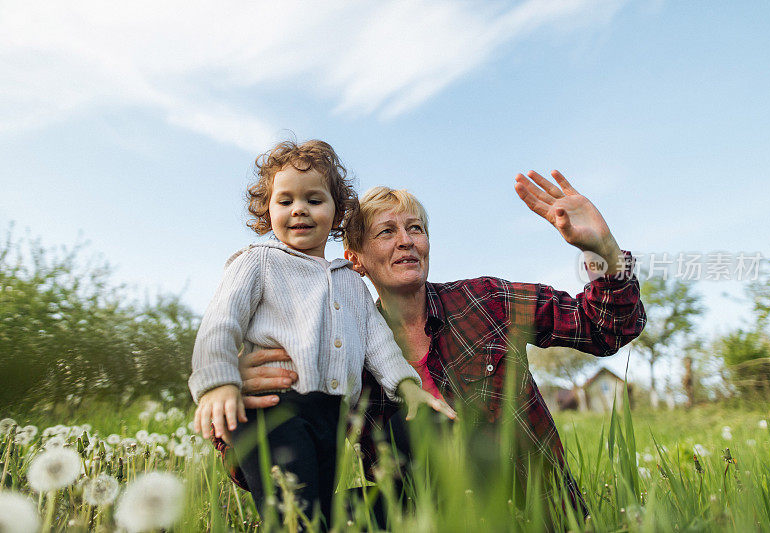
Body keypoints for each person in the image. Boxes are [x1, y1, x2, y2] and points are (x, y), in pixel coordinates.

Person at [217, 169, 646, 519]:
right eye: (386, 232)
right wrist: (246, 397)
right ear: (355, 258)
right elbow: (274, 469)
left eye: (415, 228)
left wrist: (604, 251)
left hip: (534, 516)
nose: (406, 240)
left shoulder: (487, 301)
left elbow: (606, 328)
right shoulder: (341, 356)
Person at [189, 139, 455, 528]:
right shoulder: (257, 262)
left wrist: (409, 387)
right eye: (285, 201)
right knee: (292, 512)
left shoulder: (350, 282)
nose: (299, 209)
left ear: (337, 213)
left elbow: (379, 345)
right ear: (267, 209)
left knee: (316, 512)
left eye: (314, 200)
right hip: (273, 409)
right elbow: (220, 323)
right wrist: (218, 383)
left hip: (331, 415)